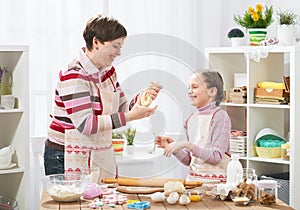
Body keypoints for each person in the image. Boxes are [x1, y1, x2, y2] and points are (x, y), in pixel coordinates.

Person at [44, 14, 162, 179]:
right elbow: (85, 124)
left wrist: (142, 99)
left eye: (120, 46)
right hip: (64, 154)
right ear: (96, 42)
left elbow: (122, 107)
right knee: (73, 204)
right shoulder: (75, 75)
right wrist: (131, 116)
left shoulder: (109, 73)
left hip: (94, 150)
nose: (119, 52)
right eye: (115, 46)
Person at [155, 69, 231, 183]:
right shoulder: (190, 119)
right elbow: (190, 160)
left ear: (212, 91)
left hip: (216, 188)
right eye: (188, 88)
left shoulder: (220, 116)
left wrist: (187, 145)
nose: (189, 91)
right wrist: (174, 148)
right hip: (193, 184)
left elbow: (216, 157)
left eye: (194, 87)